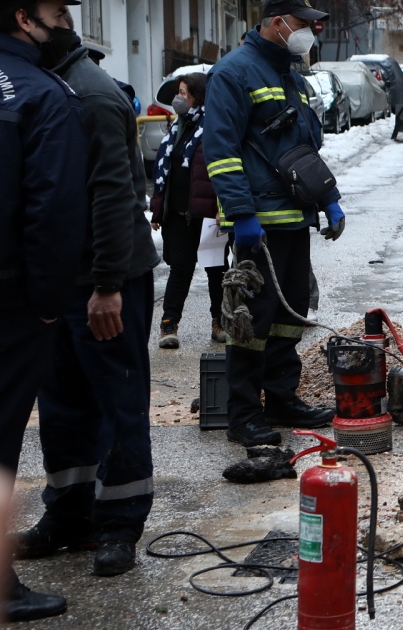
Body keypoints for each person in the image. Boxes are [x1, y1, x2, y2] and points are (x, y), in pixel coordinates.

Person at [12, 9, 161, 579]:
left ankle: (119, 524)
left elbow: (114, 195)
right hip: (60, 282)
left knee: (117, 401)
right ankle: (69, 515)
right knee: (62, 404)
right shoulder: (43, 85)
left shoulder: (91, 93)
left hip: (105, 280)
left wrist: (106, 285)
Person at [204, 0, 345, 447]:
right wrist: (241, 214)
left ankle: (281, 399)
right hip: (259, 227)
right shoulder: (233, 73)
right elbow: (221, 151)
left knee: (289, 315)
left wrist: (329, 199)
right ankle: (243, 414)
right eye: (303, 24)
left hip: (294, 219)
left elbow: (303, 148)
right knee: (252, 321)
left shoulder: (291, 75)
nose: (310, 33)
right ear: (277, 23)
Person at [0, 0, 87, 619]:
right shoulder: (41, 94)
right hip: (10, 301)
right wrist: (51, 303)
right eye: (57, 10)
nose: (66, 24)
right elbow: (54, 211)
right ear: (23, 18)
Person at [150, 72, 228, 348]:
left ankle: (220, 321)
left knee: (216, 270)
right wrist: (158, 210)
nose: (178, 99)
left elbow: (224, 171)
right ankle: (169, 324)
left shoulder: (214, 127)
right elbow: (165, 172)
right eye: (178, 93)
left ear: (198, 97)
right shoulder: (178, 127)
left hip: (208, 216)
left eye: (183, 93)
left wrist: (223, 208)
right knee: (180, 270)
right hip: (179, 215)